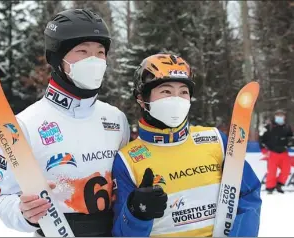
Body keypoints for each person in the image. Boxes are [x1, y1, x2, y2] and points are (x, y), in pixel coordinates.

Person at [0, 9, 129, 237]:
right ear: (57, 58)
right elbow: (1, 197)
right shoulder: (25, 124)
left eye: (100, 53)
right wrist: (23, 213)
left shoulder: (115, 119)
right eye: (82, 51)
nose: (93, 61)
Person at [112, 54, 262, 237]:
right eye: (166, 91)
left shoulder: (215, 140)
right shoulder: (126, 160)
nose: (176, 99)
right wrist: (136, 213)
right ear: (142, 99)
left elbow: (248, 197)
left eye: (183, 92)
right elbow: (121, 232)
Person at [259, 110, 293, 194]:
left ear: (284, 117)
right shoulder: (268, 127)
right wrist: (263, 150)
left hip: (284, 153)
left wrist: (290, 142)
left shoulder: (287, 127)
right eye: (278, 115)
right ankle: (270, 188)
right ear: (275, 116)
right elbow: (261, 139)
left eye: (281, 115)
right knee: (272, 171)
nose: (280, 117)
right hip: (272, 153)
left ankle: (279, 184)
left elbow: (291, 139)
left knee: (286, 170)